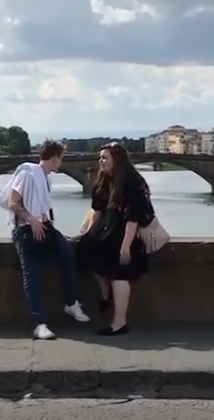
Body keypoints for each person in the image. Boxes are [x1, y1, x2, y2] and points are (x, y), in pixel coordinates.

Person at [0, 140, 90, 339]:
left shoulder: (46, 178)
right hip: (25, 230)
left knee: (67, 251)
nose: (61, 162)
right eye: (61, 158)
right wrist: (31, 220)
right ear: (55, 158)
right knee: (32, 274)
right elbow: (13, 202)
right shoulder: (27, 173)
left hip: (45, 226)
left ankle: (71, 303)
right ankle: (39, 324)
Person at [75, 142, 154, 336]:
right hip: (105, 229)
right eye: (100, 158)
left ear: (117, 160)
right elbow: (96, 210)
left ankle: (119, 323)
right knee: (81, 250)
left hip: (125, 232)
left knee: (120, 271)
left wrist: (126, 246)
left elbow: (133, 217)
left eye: (105, 158)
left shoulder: (132, 182)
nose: (100, 161)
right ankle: (105, 292)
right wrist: (88, 233)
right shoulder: (103, 181)